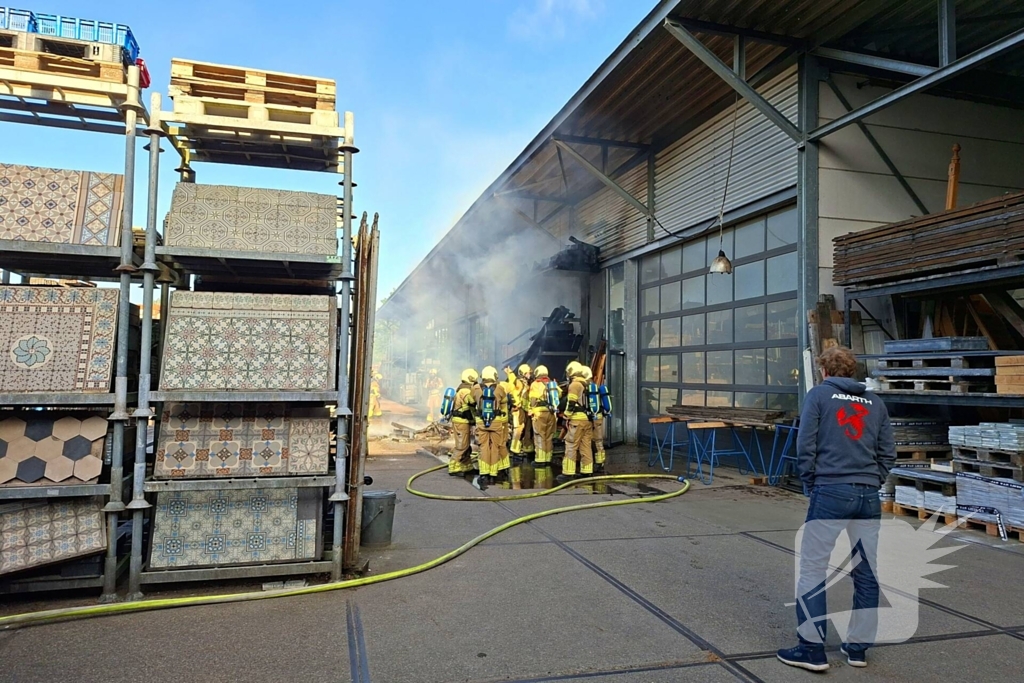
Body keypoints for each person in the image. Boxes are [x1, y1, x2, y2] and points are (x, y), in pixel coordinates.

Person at [777, 346, 895, 672]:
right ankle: (857, 649)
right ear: (852, 371)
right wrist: (873, 480)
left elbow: (806, 445)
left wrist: (811, 483)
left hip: (830, 491)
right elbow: (888, 453)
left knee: (814, 569)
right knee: (866, 572)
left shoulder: (818, 396)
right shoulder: (876, 403)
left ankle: (812, 650)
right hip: (868, 496)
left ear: (824, 371)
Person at [472, 366, 510, 490]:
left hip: (481, 422)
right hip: (496, 422)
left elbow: (470, 402)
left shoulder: (476, 388)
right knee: (495, 446)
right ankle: (493, 474)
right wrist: (505, 420)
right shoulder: (500, 388)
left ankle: (484, 474)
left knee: (483, 447)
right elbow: (504, 403)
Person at [558, 361, 593, 484]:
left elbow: (571, 402)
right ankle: (587, 471)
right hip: (587, 420)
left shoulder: (575, 385)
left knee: (571, 445)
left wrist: (566, 416)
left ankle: (568, 473)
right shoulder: (587, 384)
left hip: (577, 420)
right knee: (586, 445)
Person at [448, 369, 479, 476]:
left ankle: (467, 466)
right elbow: (471, 402)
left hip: (463, 421)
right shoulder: (465, 391)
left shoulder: (463, 389)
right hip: (461, 421)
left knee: (466, 445)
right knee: (461, 445)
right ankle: (453, 467)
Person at [528, 365, 558, 466]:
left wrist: (531, 409)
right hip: (551, 412)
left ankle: (540, 460)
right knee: (548, 436)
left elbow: (533, 399)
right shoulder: (552, 383)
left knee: (539, 436)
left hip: (539, 413)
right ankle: (548, 458)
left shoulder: (535, 384)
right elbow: (560, 394)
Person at [580, 367, 607, 474]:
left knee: (589, 441)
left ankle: (594, 462)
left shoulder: (584, 387)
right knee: (599, 440)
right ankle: (600, 462)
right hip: (599, 416)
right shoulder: (595, 387)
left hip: (591, 418)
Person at [508, 364, 534, 460]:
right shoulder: (519, 382)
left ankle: (527, 449)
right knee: (518, 429)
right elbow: (514, 393)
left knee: (527, 429)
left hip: (526, 410)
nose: (529, 375)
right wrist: (517, 404)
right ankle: (514, 450)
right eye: (527, 373)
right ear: (523, 373)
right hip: (519, 410)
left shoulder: (527, 383)